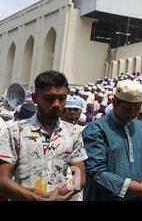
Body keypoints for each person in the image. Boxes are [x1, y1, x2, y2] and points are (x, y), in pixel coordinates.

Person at [0, 71, 86, 201]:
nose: (56, 104)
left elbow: (79, 176)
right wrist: (34, 197)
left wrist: (59, 195)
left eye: (62, 99)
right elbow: (2, 179)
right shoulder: (14, 131)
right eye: (49, 99)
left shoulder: (73, 133)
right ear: (35, 98)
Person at [82, 80, 142, 201]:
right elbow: (95, 170)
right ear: (114, 103)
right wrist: (129, 188)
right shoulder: (96, 129)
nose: (132, 113)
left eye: (137, 109)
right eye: (127, 109)